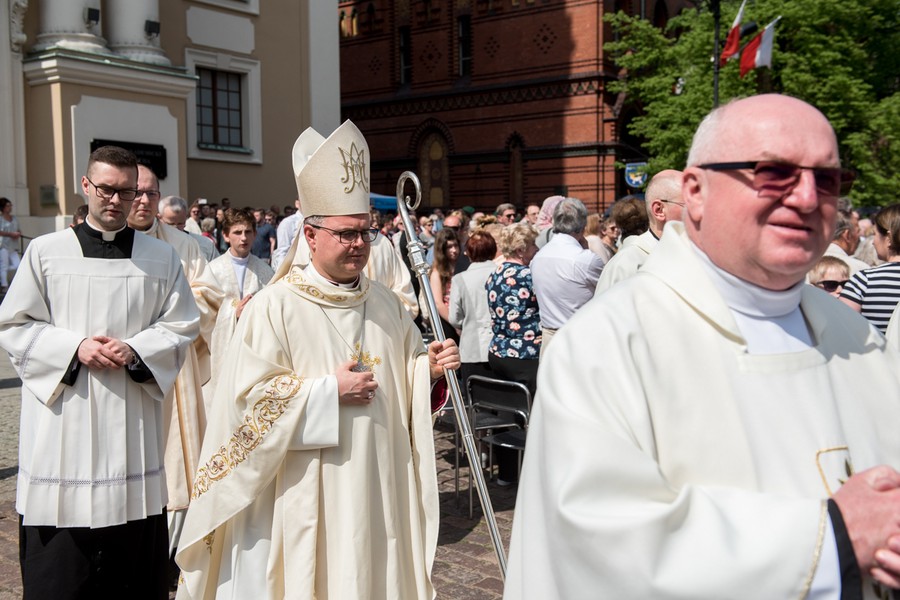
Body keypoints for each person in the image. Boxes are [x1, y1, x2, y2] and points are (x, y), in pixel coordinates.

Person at [504, 94, 900, 599]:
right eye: (773, 172)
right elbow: (603, 547)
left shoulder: (856, 336)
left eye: (826, 179)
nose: (806, 197)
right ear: (695, 191)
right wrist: (832, 541)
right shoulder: (607, 345)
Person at [175, 120, 459, 599]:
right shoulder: (274, 307)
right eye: (346, 235)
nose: (359, 245)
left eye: (365, 234)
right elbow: (248, 405)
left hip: (377, 483)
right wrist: (328, 393)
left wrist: (425, 368)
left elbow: (405, 374)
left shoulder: (386, 304)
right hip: (304, 490)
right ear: (310, 234)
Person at [0, 146, 199, 598]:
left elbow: (182, 324)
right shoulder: (45, 253)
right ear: (87, 187)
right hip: (62, 432)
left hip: (130, 430)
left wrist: (134, 350)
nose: (115, 199)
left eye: (126, 191)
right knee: (61, 579)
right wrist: (75, 347)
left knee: (133, 578)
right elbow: (14, 324)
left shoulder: (161, 259)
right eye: (106, 189)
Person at [128, 165, 224, 573]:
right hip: (120, 371)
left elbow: (211, 299)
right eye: (138, 192)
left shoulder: (184, 246)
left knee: (174, 464)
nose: (145, 200)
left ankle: (170, 556)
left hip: (175, 375)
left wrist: (171, 314)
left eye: (152, 192)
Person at [194, 208, 274, 402]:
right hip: (221, 350)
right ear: (226, 236)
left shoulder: (266, 271)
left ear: (255, 235)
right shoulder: (212, 270)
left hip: (254, 350)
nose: (243, 238)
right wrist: (232, 312)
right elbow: (202, 314)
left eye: (248, 232)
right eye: (237, 232)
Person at [529, 198, 604, 353]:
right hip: (580, 340)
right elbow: (609, 290)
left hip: (549, 341)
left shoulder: (538, 257)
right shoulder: (586, 260)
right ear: (582, 226)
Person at [595, 170, 684, 294]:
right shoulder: (626, 265)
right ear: (659, 210)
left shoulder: (695, 257)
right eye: (689, 205)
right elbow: (604, 312)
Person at [486, 222, 541, 397]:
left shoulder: (495, 274)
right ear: (520, 250)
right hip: (526, 353)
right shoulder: (528, 275)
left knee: (510, 407)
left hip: (498, 351)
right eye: (533, 244)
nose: (537, 248)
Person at [448, 231, 498, 396]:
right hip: (501, 346)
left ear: (468, 252)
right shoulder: (501, 272)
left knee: (477, 401)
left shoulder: (460, 279)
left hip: (472, 347)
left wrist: (467, 323)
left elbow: (454, 317)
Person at [840, 204, 900, 333]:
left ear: (888, 238)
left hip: (879, 352)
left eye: (875, 234)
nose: (873, 242)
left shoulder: (864, 281)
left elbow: (843, 330)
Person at [429, 227, 462, 344]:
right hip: (447, 320)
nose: (454, 250)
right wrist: (456, 325)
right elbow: (438, 303)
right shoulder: (437, 272)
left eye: (456, 246)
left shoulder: (462, 265)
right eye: (449, 247)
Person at [824, 204, 870, 275]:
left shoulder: (806, 266)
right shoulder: (861, 270)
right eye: (858, 231)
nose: (859, 237)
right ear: (847, 235)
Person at [0, 198, 22, 292]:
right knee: (4, 265)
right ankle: (4, 285)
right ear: (3, 208)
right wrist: (10, 234)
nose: (10, 207)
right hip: (4, 245)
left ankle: (16, 283)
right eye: (8, 206)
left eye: (10, 205)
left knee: (18, 265)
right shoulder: (0, 219)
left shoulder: (14, 218)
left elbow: (18, 229)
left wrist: (18, 234)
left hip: (13, 246)